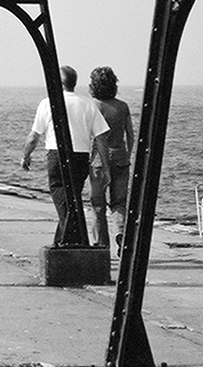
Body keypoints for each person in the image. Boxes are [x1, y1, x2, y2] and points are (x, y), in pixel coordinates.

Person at [21, 66, 110, 245]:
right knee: (72, 199)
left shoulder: (47, 103)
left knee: (63, 199)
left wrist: (26, 156)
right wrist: (106, 167)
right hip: (80, 156)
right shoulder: (87, 103)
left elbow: (33, 137)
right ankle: (63, 242)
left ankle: (71, 242)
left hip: (57, 155)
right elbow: (101, 137)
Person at [87, 66, 134, 249]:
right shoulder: (122, 106)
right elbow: (130, 134)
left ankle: (101, 245)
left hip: (98, 160)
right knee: (119, 203)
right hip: (120, 157)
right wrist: (127, 155)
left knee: (97, 205)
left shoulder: (93, 106)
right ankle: (121, 232)